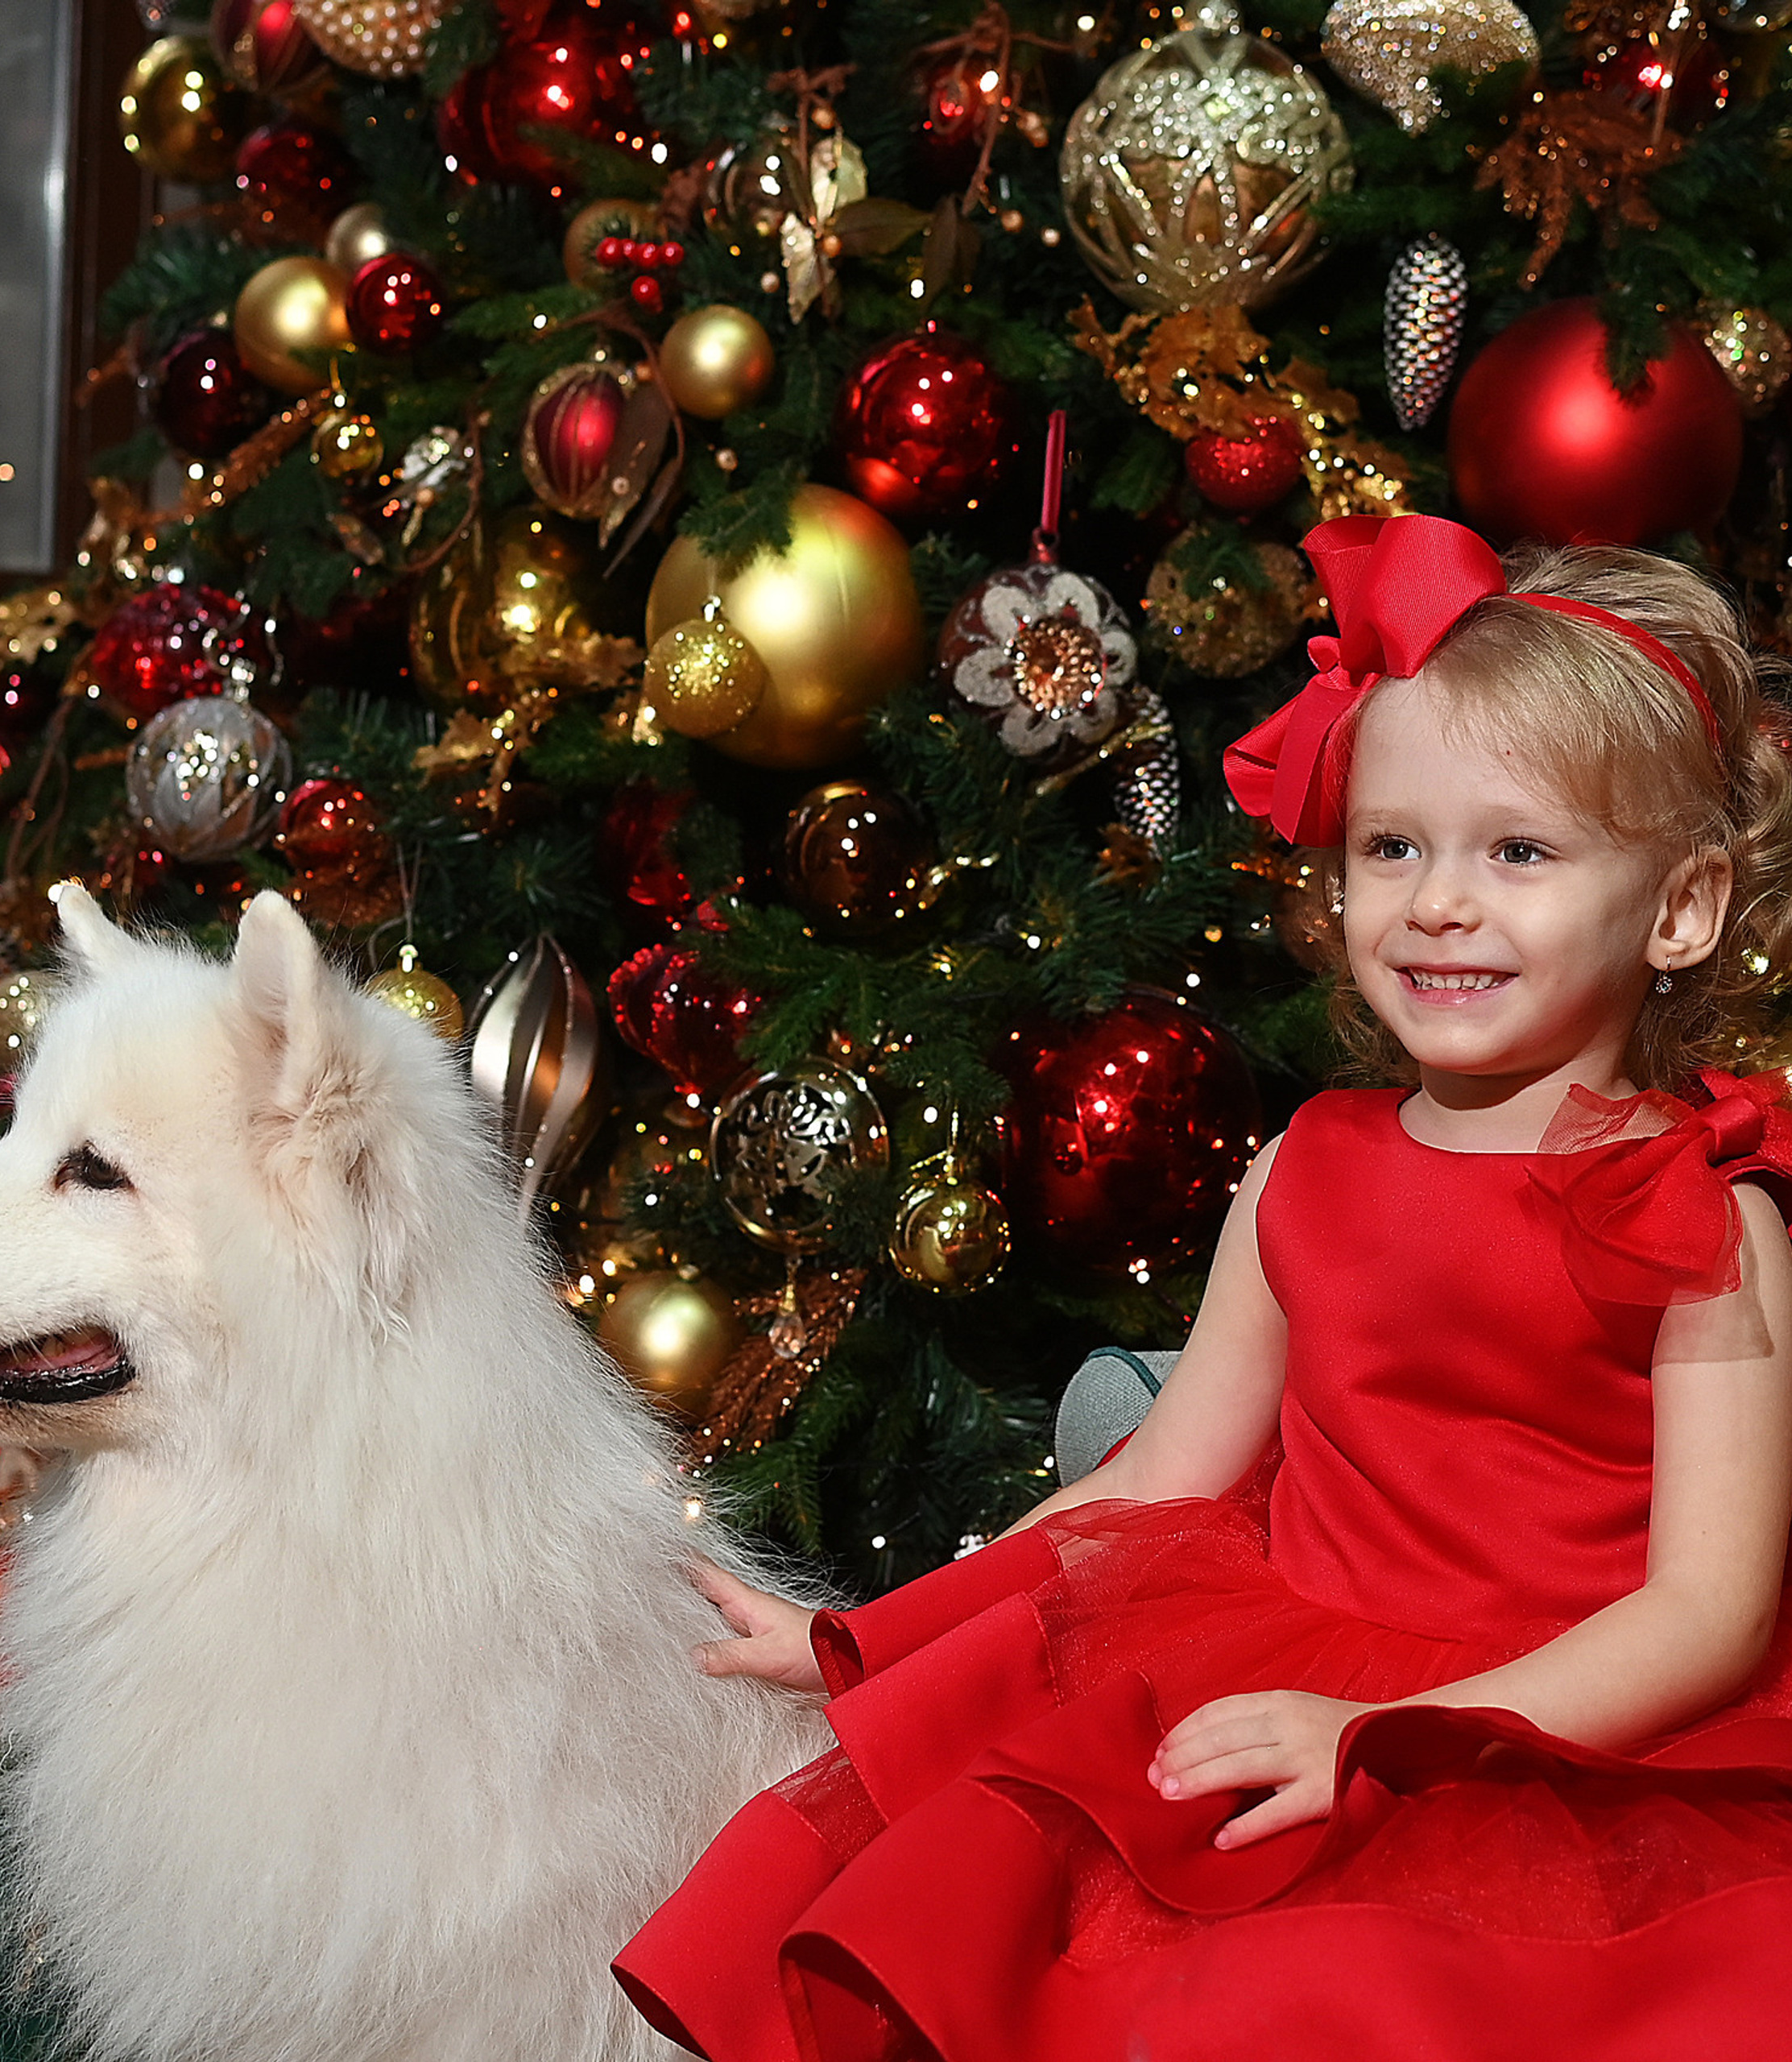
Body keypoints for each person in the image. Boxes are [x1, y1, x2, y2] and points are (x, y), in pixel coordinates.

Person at [612, 515, 1792, 2060]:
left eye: (1519, 850)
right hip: (1267, 1664)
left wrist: (1390, 1736)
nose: (1438, 901)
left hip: (1559, 1737)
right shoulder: (1311, 1159)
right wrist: (873, 1640)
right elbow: (1160, 1478)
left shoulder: (1701, 1204)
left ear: (1682, 905)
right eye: (1393, 845)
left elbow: (1706, 1610)